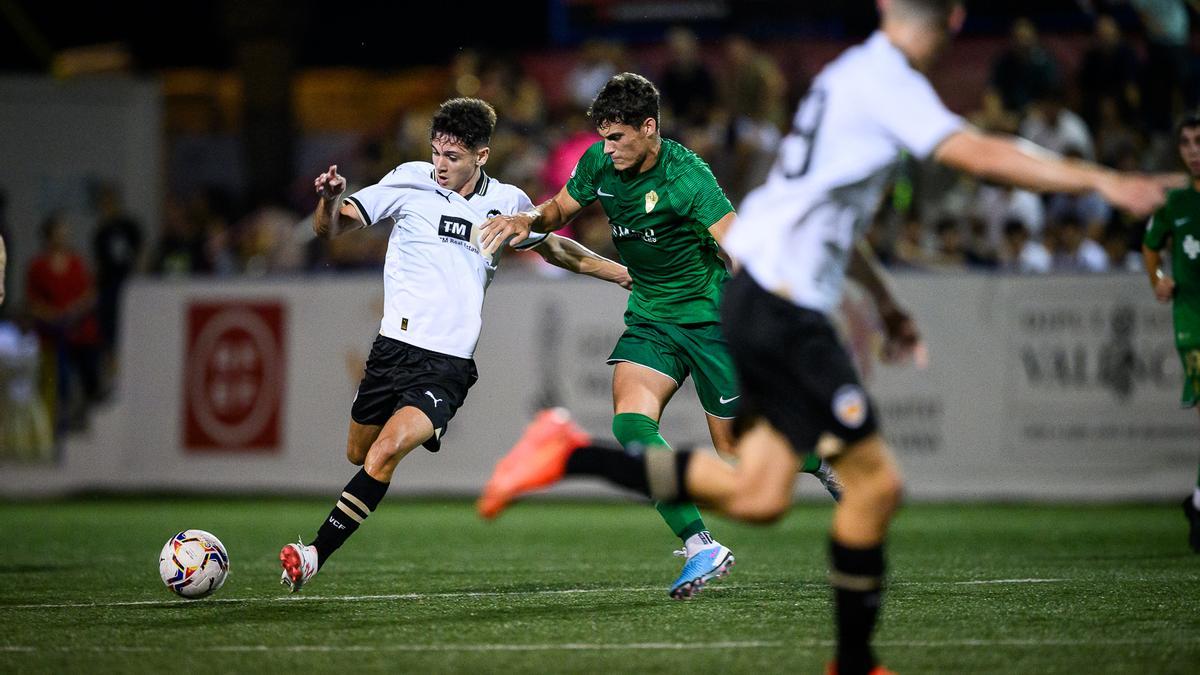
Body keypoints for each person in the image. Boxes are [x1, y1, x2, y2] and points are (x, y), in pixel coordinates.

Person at [477, 2, 1167, 673]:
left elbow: (818, 218)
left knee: (755, 485)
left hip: (733, 308)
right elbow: (980, 151)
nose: (607, 147)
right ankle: (840, 643)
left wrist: (883, 300)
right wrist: (1107, 182)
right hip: (754, 305)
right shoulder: (885, 84)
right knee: (870, 483)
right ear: (955, 19)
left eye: (618, 135)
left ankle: (575, 455)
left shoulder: (829, 88)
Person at [478, 72, 842, 600]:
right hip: (651, 316)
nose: (609, 148)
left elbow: (738, 247)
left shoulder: (688, 176)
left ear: (649, 128)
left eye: (618, 137)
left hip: (710, 319)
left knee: (734, 447)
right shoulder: (599, 162)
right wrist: (529, 217)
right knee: (630, 425)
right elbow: (560, 210)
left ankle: (821, 459)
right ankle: (701, 546)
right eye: (603, 136)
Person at [278, 98, 630, 592]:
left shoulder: (506, 202)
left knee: (383, 454)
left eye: (454, 155)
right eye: (437, 151)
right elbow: (331, 227)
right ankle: (417, 432)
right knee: (358, 453)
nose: (441, 164)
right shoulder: (410, 179)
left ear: (481, 156)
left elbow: (557, 248)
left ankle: (314, 554)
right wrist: (332, 199)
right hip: (391, 350)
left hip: (445, 365)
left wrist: (622, 274)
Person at [1141, 112, 1200, 554]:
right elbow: (1150, 246)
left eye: (1199, 141)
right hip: (1192, 321)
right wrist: (1158, 277)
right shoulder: (1175, 202)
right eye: (1186, 143)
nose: (1193, 151)